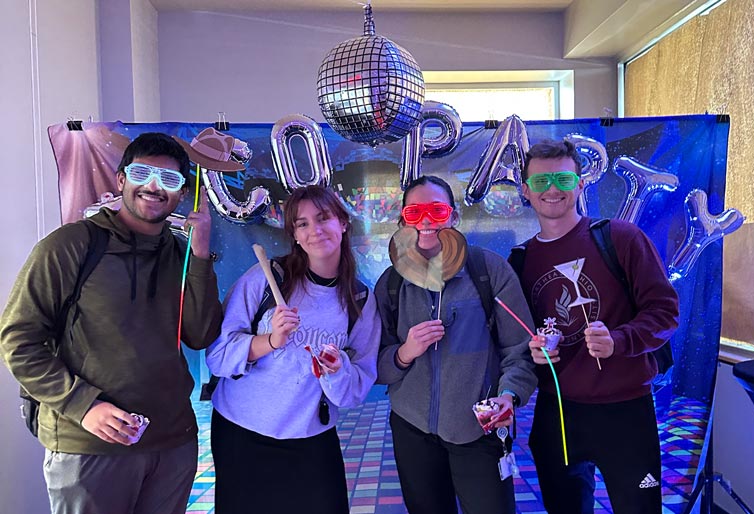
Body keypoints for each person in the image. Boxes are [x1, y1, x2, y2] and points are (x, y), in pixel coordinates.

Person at [0, 132, 223, 514]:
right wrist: (84, 406)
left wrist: (200, 255)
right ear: (121, 180)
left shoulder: (181, 253)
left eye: (169, 180)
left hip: (172, 444)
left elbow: (201, 334)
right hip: (89, 443)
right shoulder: (70, 245)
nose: (154, 187)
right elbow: (18, 341)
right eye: (143, 174)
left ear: (183, 194)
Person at [514, 139, 680, 514]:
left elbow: (665, 311)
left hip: (626, 412)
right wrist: (534, 350)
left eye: (563, 179)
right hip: (557, 413)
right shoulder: (520, 260)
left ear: (580, 183)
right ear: (525, 191)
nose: (553, 190)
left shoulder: (620, 238)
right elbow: (518, 339)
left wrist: (619, 340)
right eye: (541, 182)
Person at [206, 185, 381, 514]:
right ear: (294, 235)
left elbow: (355, 389)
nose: (314, 230)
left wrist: (336, 368)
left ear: (343, 222)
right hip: (242, 434)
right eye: (302, 224)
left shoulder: (360, 300)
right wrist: (270, 340)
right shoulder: (266, 278)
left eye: (323, 217)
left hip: (311, 438)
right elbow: (217, 357)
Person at [375, 175, 538, 514]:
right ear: (403, 219)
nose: (425, 221)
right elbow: (373, 363)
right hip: (412, 429)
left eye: (437, 210)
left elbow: (520, 349)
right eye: (414, 212)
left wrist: (508, 396)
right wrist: (405, 352)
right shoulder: (390, 283)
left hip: (479, 429)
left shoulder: (488, 270)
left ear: (454, 216)